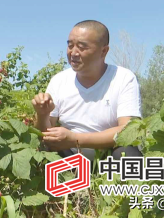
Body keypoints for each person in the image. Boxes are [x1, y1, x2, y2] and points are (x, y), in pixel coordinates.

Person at [31, 20, 142, 161]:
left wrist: (76, 139)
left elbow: (128, 130)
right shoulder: (59, 81)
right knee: (42, 151)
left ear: (103, 51)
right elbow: (45, 134)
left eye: (82, 47)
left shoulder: (123, 78)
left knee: (127, 153)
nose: (73, 53)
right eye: (70, 46)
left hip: (108, 156)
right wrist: (42, 115)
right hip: (70, 157)